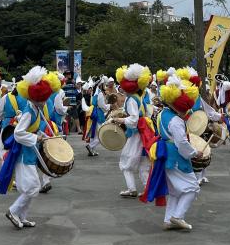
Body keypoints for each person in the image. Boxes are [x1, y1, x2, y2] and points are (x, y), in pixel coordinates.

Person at [0, 66, 61, 229]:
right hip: (23, 153)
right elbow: (18, 133)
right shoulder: (28, 111)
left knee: (31, 188)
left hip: (30, 152)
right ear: (38, 97)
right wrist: (35, 137)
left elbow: (33, 129)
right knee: (33, 188)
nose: (46, 101)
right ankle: (13, 211)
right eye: (44, 98)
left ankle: (22, 216)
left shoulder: (35, 109)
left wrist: (43, 136)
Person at [141, 74, 201, 230]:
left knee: (174, 191)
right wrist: (195, 153)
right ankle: (178, 216)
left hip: (165, 153)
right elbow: (181, 143)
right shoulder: (176, 121)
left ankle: (168, 220)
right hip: (176, 156)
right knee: (192, 188)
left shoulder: (162, 114)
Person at [112, 64, 153, 198]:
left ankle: (132, 189)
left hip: (136, 135)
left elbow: (134, 120)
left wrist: (120, 120)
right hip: (143, 134)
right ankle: (148, 189)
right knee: (142, 164)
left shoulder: (131, 99)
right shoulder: (139, 97)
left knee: (125, 163)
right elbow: (146, 114)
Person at [177, 66, 222, 184]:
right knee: (191, 151)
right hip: (185, 128)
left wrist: (219, 117)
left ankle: (201, 176)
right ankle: (193, 176)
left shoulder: (197, 97)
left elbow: (209, 111)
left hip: (199, 127)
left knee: (203, 149)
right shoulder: (179, 98)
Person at [86, 77, 110, 156]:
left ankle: (92, 150)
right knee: (101, 134)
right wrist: (110, 106)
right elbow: (102, 105)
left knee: (95, 133)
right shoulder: (99, 93)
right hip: (98, 114)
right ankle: (91, 146)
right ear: (101, 84)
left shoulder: (95, 92)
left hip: (95, 113)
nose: (105, 86)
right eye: (103, 84)